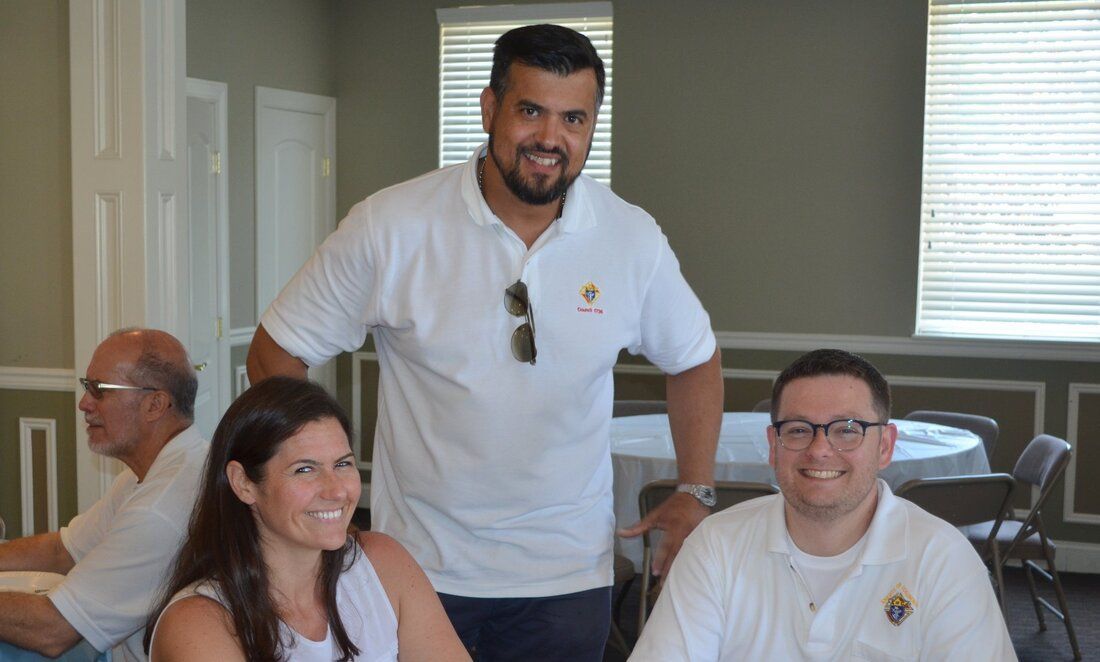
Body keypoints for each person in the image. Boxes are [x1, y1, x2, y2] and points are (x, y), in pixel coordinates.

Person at [246, 23, 723, 660]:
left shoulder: (631, 238)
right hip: (415, 569)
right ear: (490, 107)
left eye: (574, 119)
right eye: (531, 111)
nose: (551, 139)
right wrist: (313, 476)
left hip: (567, 575)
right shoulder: (391, 225)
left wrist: (694, 489)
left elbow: (694, 357)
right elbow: (275, 350)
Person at [630, 349, 1016, 661]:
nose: (819, 450)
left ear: (884, 446)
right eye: (798, 430)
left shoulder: (943, 559)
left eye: (847, 430)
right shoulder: (715, 546)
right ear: (773, 445)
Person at [146, 376, 468, 661]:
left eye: (342, 464)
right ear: (244, 483)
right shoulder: (198, 624)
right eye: (305, 469)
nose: (336, 490)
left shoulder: (384, 566)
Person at [0, 328, 207, 660]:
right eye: (87, 387)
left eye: (99, 390)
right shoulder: (161, 469)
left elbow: (52, 630)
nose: (84, 403)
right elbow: (62, 551)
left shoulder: (158, 510)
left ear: (155, 404)